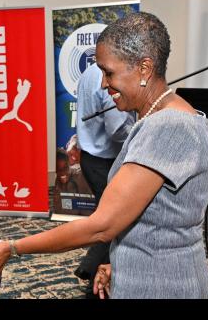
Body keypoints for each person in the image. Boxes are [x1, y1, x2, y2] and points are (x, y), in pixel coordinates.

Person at [0, 12, 208, 299]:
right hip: (152, 275)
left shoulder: (168, 126)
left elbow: (102, 226)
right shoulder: (166, 116)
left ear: (144, 68)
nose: (103, 84)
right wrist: (119, 263)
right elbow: (161, 221)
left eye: (109, 72)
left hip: (160, 284)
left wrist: (12, 247)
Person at [73, 63, 135, 297]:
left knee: (108, 217)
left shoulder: (89, 72)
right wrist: (144, 130)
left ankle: (90, 268)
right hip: (105, 160)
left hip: (91, 157)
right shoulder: (112, 78)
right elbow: (117, 129)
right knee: (114, 222)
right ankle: (94, 278)